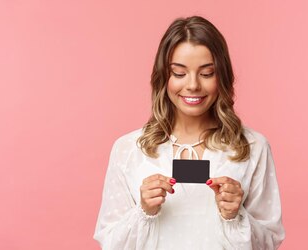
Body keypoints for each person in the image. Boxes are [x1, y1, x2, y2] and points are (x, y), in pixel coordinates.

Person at [93, 16, 285, 249]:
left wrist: (235, 216)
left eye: (206, 73)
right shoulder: (129, 149)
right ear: (164, 76)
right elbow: (111, 243)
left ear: (221, 76)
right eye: (179, 73)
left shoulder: (252, 147)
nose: (193, 85)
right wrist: (144, 211)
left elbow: (270, 243)